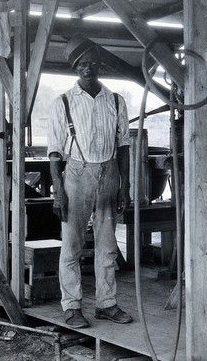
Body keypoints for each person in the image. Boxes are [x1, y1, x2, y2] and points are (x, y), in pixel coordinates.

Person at [48, 35, 133, 328]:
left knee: (107, 245)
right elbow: (55, 152)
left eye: (93, 63)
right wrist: (58, 191)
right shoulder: (63, 102)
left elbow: (124, 145)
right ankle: (72, 307)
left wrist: (125, 185)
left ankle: (106, 304)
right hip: (76, 174)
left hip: (109, 172)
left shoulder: (115, 100)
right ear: (75, 68)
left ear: (99, 64)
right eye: (82, 64)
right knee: (71, 246)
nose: (88, 68)